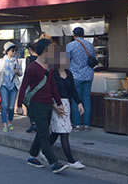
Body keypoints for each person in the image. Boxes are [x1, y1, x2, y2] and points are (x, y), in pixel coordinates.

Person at [16, 39, 69, 174]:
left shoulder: (50, 67)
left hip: (48, 104)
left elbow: (53, 87)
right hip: (36, 105)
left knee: (41, 131)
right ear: (44, 51)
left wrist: (59, 103)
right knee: (45, 135)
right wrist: (20, 105)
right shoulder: (32, 68)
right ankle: (54, 163)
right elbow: (23, 87)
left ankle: (32, 156)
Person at [49, 47, 85, 169]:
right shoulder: (52, 74)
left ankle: (44, 150)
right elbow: (49, 91)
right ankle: (71, 160)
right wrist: (54, 105)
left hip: (66, 104)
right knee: (64, 132)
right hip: (56, 104)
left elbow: (73, 90)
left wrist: (79, 102)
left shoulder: (69, 74)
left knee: (57, 131)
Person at [66, 27, 96, 131]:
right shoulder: (90, 45)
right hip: (88, 75)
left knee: (76, 100)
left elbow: (64, 60)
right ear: (83, 34)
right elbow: (93, 57)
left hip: (75, 75)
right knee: (87, 99)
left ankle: (77, 124)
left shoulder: (70, 46)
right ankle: (87, 124)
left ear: (74, 35)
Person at [0, 42, 22, 132]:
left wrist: (17, 72)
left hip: (13, 85)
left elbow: (20, 73)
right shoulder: (1, 61)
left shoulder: (17, 60)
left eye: (15, 51)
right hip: (3, 84)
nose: (14, 52)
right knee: (4, 105)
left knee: (11, 106)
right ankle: (4, 124)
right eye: (12, 50)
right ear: (7, 51)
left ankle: (10, 122)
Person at [24, 42, 38, 133]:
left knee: (29, 103)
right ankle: (38, 124)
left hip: (31, 84)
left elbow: (27, 72)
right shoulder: (42, 59)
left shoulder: (29, 59)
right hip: (41, 84)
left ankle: (33, 123)